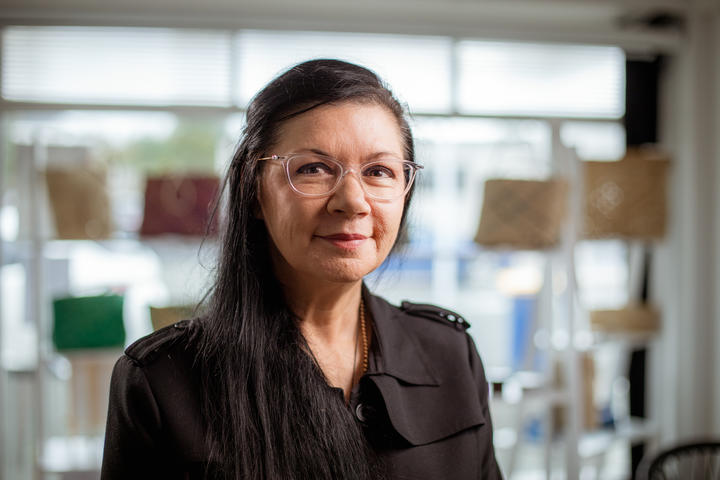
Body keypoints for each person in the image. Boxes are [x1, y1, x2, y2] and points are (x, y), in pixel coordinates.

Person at [101, 59, 502, 480]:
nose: (352, 200)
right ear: (254, 191)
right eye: (313, 168)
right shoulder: (162, 382)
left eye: (379, 171)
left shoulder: (450, 353)